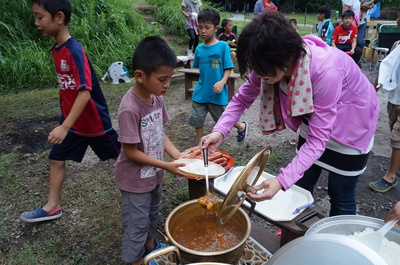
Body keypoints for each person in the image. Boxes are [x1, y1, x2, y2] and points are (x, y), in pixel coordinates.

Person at [201, 11, 379, 217]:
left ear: (287, 58)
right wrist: (220, 131)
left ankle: (339, 241)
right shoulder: (268, 62)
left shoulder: (325, 71)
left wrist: (281, 180)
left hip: (351, 127)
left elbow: (317, 140)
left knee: (340, 193)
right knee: (301, 185)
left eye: (260, 71)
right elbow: (241, 99)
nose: (257, 76)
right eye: (254, 69)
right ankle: (296, 230)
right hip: (315, 120)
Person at [20, 0, 121, 223]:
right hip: (71, 123)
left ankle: (141, 189)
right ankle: (52, 206)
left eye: (40, 17)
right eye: (35, 17)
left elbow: (85, 92)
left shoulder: (75, 51)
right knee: (56, 158)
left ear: (59, 17)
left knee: (122, 157)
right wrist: (66, 123)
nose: (36, 23)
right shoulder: (57, 49)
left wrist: (64, 126)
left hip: (94, 123)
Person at [114, 36, 186, 265]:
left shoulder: (156, 98)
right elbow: (130, 152)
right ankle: (134, 260)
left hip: (154, 175)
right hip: (135, 180)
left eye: (170, 78)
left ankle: (151, 245)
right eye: (162, 79)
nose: (167, 85)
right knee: (136, 223)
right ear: (139, 76)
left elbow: (159, 133)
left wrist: (178, 155)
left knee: (153, 213)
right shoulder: (130, 108)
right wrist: (167, 165)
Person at [188, 9, 247, 146]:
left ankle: (241, 127)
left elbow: (228, 68)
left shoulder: (222, 46)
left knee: (222, 119)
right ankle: (200, 143)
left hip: (217, 92)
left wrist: (222, 82)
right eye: (200, 27)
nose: (203, 31)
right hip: (201, 92)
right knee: (197, 118)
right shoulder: (199, 49)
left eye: (207, 28)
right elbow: (199, 69)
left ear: (215, 28)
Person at [369, 11, 400, 193]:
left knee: (397, 139)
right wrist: (372, 91)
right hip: (394, 99)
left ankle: (390, 176)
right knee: (393, 130)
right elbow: (385, 69)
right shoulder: (397, 45)